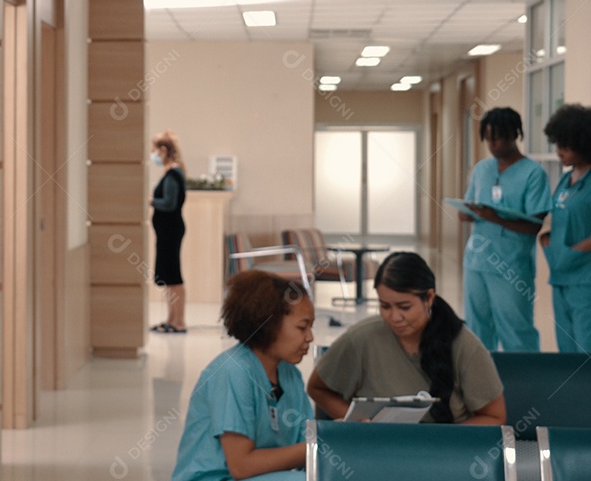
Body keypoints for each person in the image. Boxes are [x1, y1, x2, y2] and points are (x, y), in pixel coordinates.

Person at [308, 252, 505, 424]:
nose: (394, 317)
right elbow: (317, 388)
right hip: (379, 447)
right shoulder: (361, 338)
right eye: (385, 306)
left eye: (404, 307)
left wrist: (438, 441)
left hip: (443, 449)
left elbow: (495, 416)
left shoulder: (463, 345)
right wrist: (360, 424)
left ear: (429, 298)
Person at [171, 270, 314, 481]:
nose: (310, 337)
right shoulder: (233, 372)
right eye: (302, 327)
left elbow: (308, 439)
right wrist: (315, 448)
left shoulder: (290, 375)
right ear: (269, 324)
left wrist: (339, 434)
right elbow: (241, 466)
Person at [459, 107, 550, 351]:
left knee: (515, 329)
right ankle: (480, 374)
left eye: (497, 138)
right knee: (477, 327)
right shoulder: (482, 169)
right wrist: (465, 213)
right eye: (487, 138)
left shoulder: (533, 174)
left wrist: (496, 218)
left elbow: (534, 226)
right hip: (476, 261)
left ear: (514, 134)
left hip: (511, 265)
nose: (492, 144)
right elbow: (470, 202)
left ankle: (525, 374)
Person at [541, 103, 591, 353]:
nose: (559, 151)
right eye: (557, 144)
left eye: (566, 146)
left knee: (585, 345)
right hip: (561, 274)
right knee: (566, 347)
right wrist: (548, 241)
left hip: (584, 278)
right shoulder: (565, 179)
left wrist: (577, 250)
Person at [150, 130, 187, 333]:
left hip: (170, 230)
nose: (153, 155)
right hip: (166, 231)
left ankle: (178, 321)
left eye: (154, 150)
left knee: (173, 276)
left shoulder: (173, 173)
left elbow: (169, 203)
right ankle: (171, 319)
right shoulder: (171, 172)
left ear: (163, 150)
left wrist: (151, 200)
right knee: (168, 277)